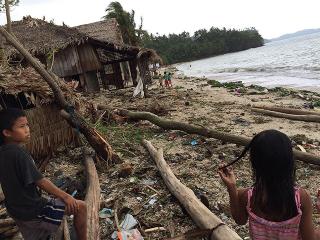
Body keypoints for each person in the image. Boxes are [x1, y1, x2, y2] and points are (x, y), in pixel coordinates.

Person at [0, 108, 87, 240]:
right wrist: (66, 197)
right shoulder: (19, 154)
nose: (27, 129)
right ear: (7, 132)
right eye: (22, 126)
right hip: (33, 210)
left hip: (16, 210)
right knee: (81, 207)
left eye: (27, 125)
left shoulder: (3, 152)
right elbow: (40, 181)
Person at [218, 129, 320, 240]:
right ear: (289, 162)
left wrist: (232, 188)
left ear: (254, 164)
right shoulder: (301, 198)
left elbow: (240, 220)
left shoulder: (247, 196)